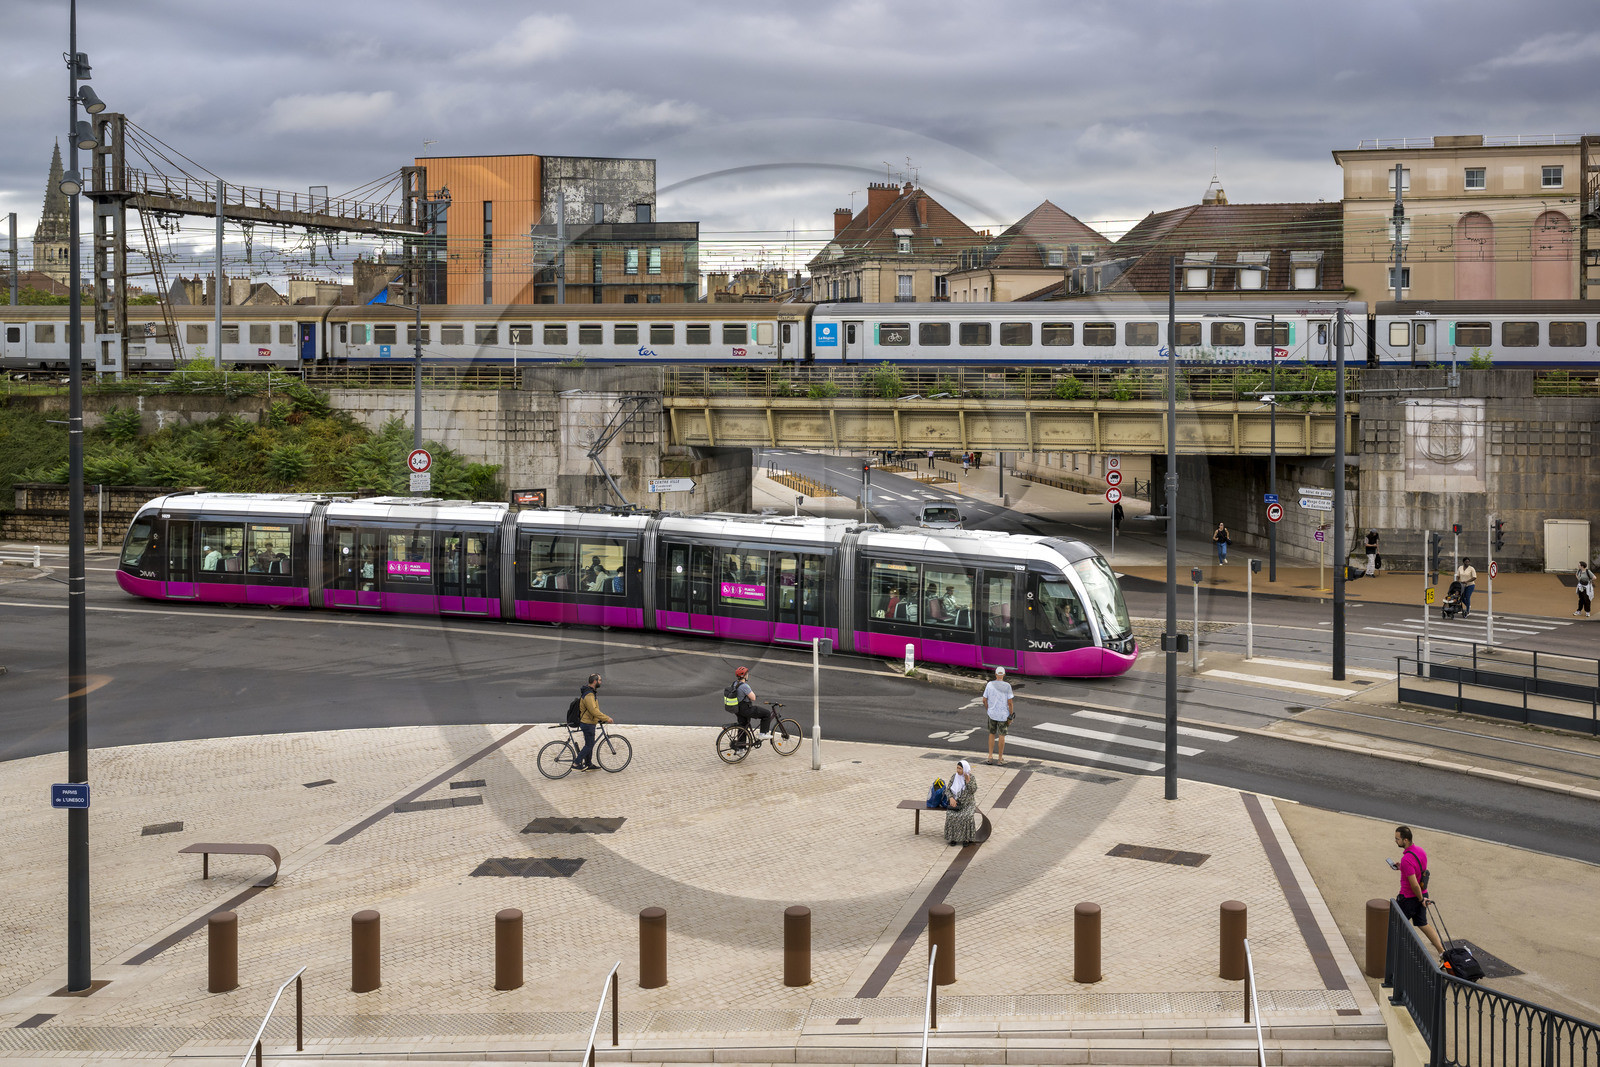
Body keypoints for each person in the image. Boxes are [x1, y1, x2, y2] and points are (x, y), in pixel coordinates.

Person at [1393, 825, 1445, 955]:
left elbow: (1414, 884)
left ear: (1405, 840)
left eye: (1397, 839)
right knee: (1423, 924)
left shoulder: (1406, 859)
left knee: (1396, 924)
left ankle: (1398, 953)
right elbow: (1418, 871)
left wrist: (1421, 900)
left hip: (1409, 898)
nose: (1395, 841)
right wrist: (1401, 867)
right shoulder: (1420, 851)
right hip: (1423, 893)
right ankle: (1442, 952)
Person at [723, 665, 771, 741]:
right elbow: (753, 698)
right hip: (746, 709)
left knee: (743, 726)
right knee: (767, 714)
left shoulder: (734, 683)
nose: (748, 675)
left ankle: (740, 748)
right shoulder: (744, 686)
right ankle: (763, 733)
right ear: (744, 676)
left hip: (737, 709)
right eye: (747, 674)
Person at [576, 673, 613, 771]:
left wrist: (599, 718)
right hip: (587, 723)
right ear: (595, 681)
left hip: (590, 722)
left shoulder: (590, 692)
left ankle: (588, 764)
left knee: (590, 744)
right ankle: (576, 763)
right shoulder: (589, 694)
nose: (601, 682)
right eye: (600, 680)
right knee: (589, 745)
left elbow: (593, 710)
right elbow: (593, 710)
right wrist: (606, 718)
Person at [944, 759, 980, 846]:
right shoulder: (954, 777)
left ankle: (966, 838)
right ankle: (953, 838)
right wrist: (951, 798)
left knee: (966, 816)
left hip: (967, 804)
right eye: (957, 768)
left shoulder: (971, 778)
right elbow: (948, 790)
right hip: (955, 804)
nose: (958, 770)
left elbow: (973, 790)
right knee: (951, 815)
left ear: (965, 769)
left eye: (960, 769)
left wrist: (968, 781)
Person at [983, 666, 1014, 765]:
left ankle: (990, 757)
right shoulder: (1007, 686)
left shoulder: (990, 685)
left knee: (992, 734)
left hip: (992, 714)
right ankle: (1000, 759)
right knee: (1001, 735)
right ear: (1004, 674)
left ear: (996, 674)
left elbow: (984, 700)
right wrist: (1010, 715)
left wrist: (988, 709)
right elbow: (1010, 703)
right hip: (1003, 715)